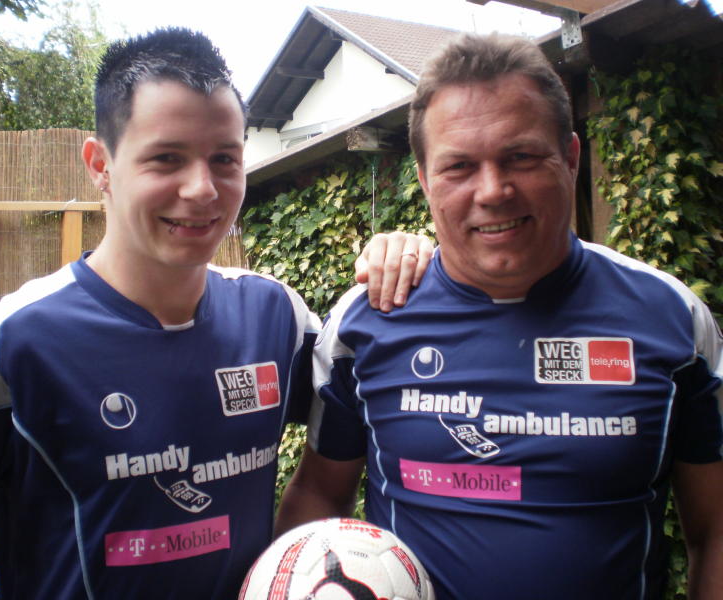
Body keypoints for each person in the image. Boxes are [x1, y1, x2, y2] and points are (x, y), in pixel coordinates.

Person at [0, 28, 432, 600]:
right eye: (167, 158)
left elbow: (380, 392)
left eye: (225, 159)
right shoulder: (6, 347)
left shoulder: (276, 317)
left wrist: (408, 257)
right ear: (100, 164)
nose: (202, 189)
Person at [276, 32, 723, 600]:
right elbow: (319, 494)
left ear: (571, 158)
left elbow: (715, 527)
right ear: (425, 180)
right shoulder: (366, 322)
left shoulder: (672, 320)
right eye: (459, 166)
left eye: (521, 157)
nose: (493, 191)